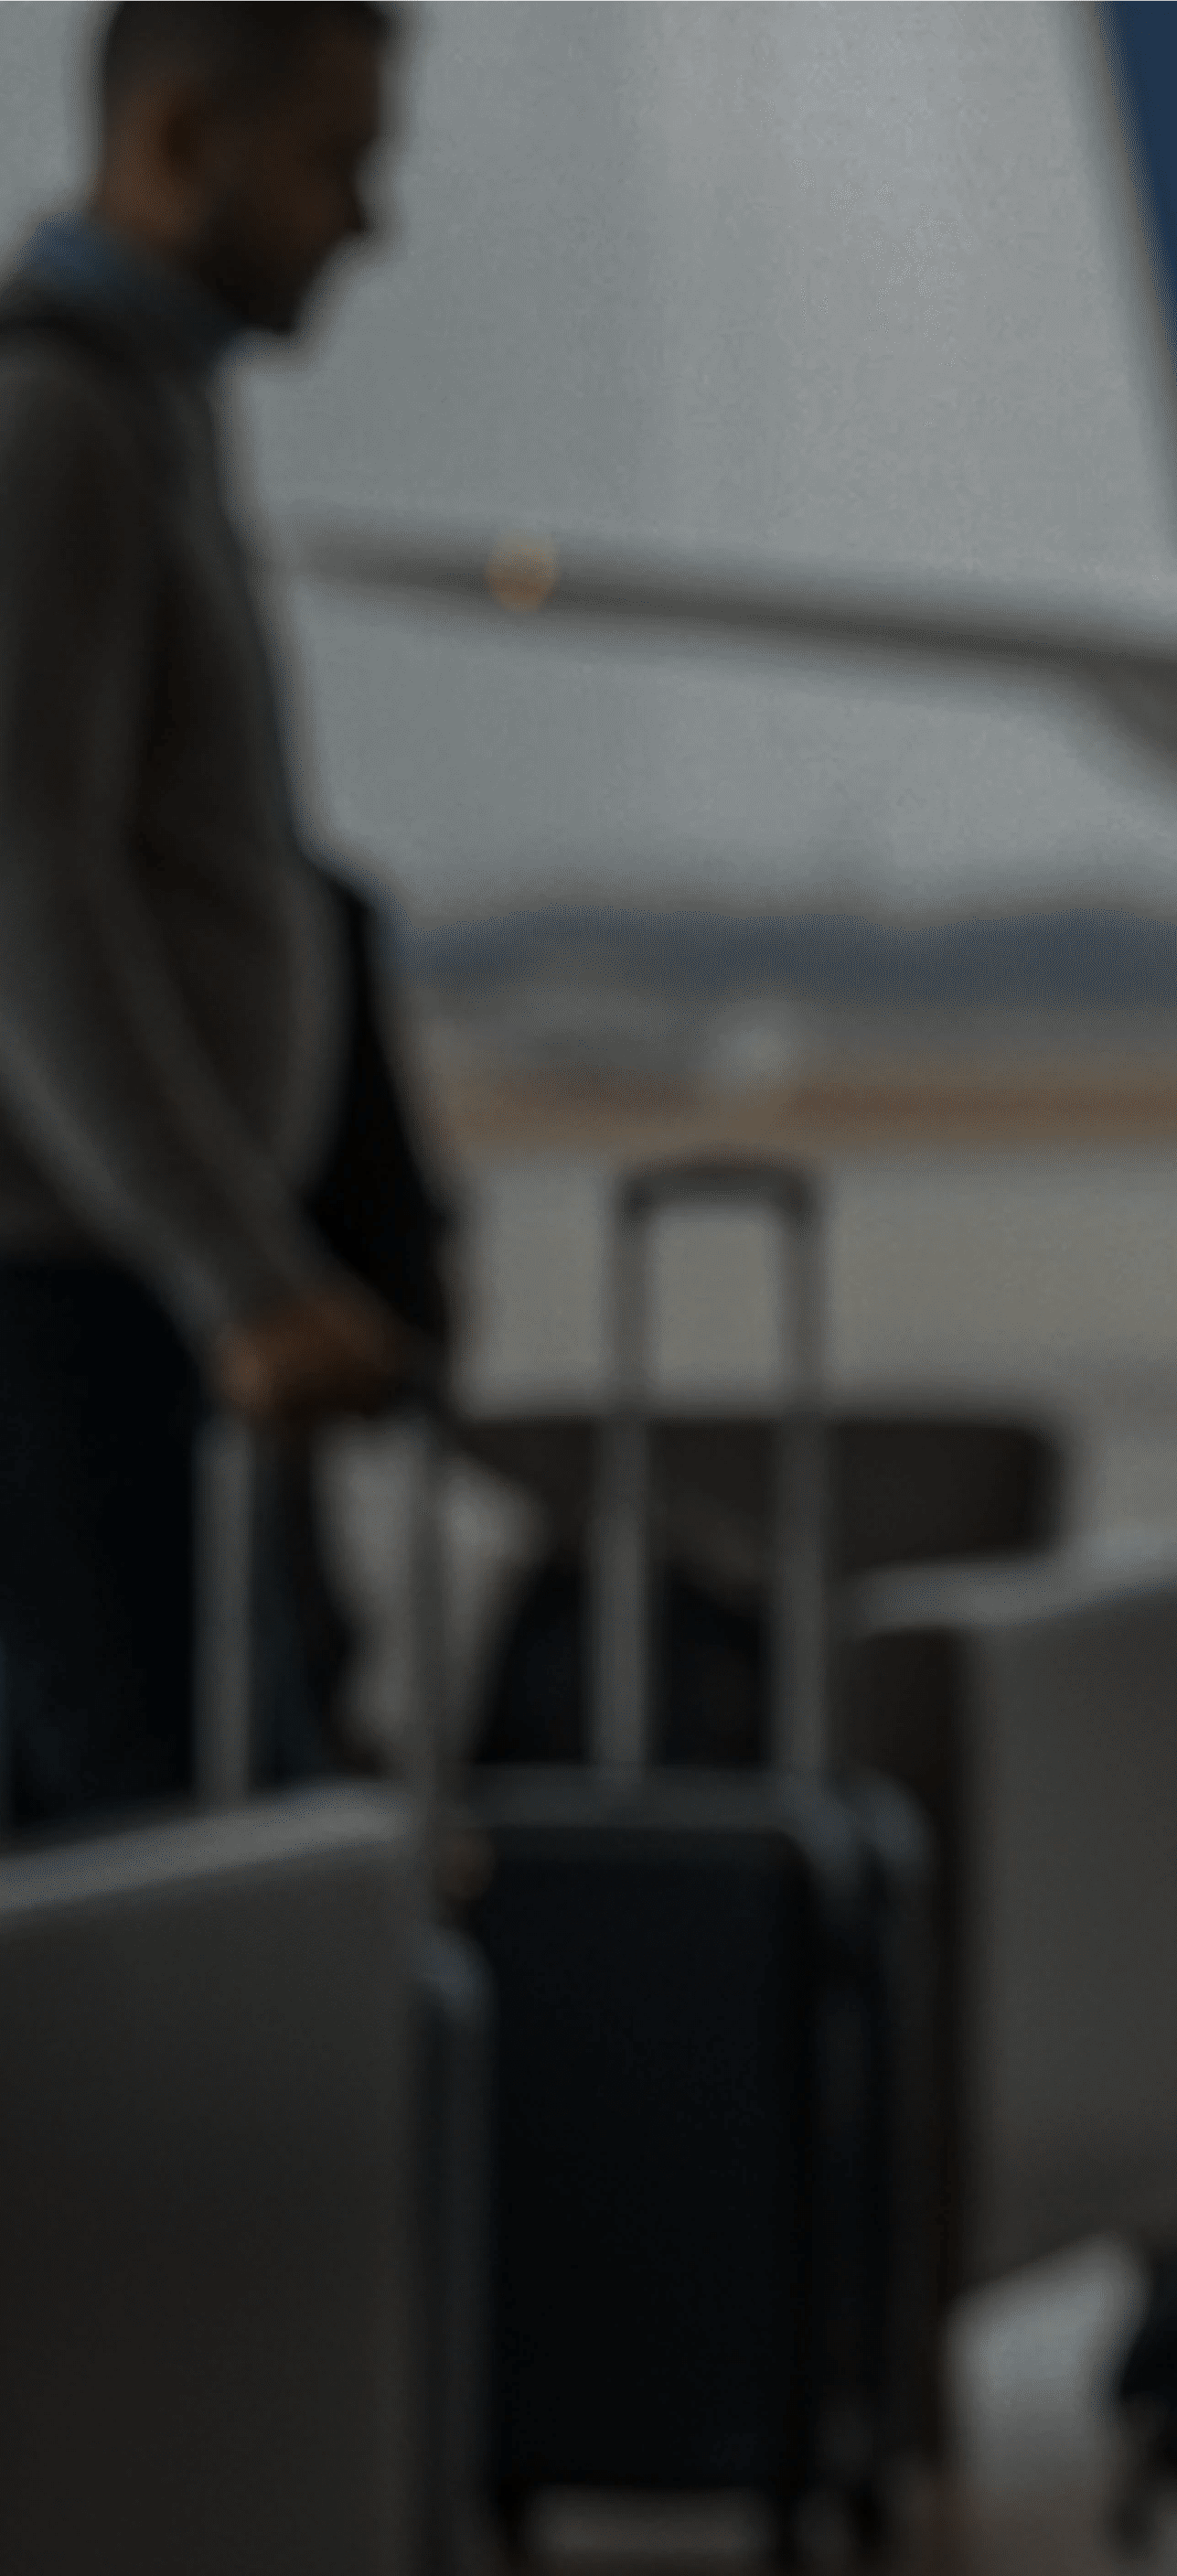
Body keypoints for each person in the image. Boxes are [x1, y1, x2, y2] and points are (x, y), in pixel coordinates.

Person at [0, 0, 412, 1832]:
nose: (368, 221)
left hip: (133, 1302)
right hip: (75, 1313)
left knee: (209, 1865)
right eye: (338, 160)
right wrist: (237, 1273)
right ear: (176, 146)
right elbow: (25, 877)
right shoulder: (56, 427)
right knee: (141, 1879)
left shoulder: (142, 417)